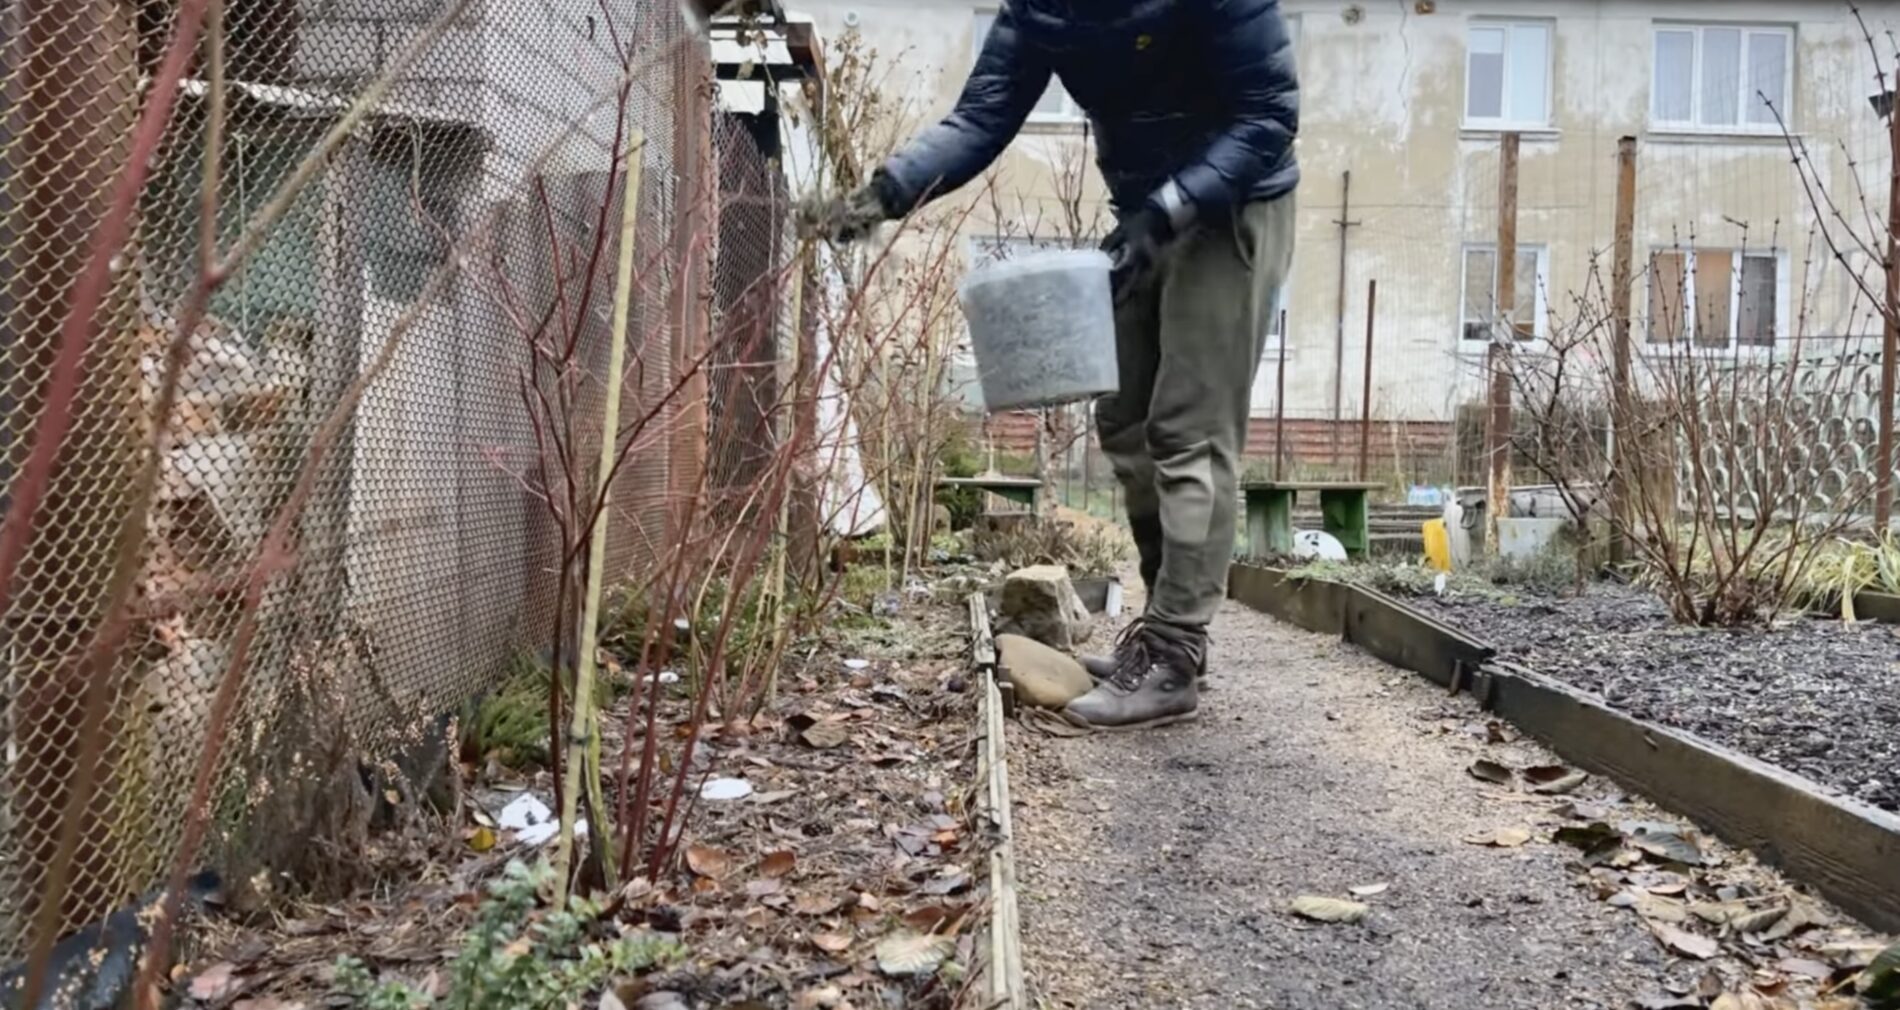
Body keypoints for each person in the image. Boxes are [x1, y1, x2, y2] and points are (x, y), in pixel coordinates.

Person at [809, 0, 1299, 730]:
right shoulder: (1042, 8)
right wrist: (881, 196)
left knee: (1189, 429)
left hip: (1233, 205)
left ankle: (1173, 651)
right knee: (1126, 421)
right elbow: (980, 119)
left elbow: (1267, 115)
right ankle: (1165, 639)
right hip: (1145, 207)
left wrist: (1169, 207)